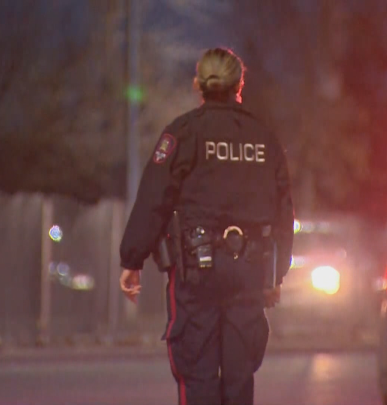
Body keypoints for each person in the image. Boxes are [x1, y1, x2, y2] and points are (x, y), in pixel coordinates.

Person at [118, 47, 294, 405]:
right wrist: (276, 275)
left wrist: (132, 259)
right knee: (239, 380)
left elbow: (154, 198)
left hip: (195, 274)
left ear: (198, 83)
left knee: (197, 376)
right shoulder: (264, 138)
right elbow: (282, 213)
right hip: (248, 273)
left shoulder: (182, 134)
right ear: (239, 85)